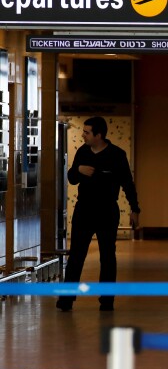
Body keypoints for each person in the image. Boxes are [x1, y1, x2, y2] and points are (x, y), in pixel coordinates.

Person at [57, 116, 140, 312]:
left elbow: (128, 183)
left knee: (107, 256)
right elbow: (71, 178)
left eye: (86, 132)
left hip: (107, 211)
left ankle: (107, 300)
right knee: (76, 255)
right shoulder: (83, 152)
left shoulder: (117, 155)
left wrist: (135, 209)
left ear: (99, 135)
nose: (82, 135)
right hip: (84, 209)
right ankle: (67, 298)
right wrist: (79, 170)